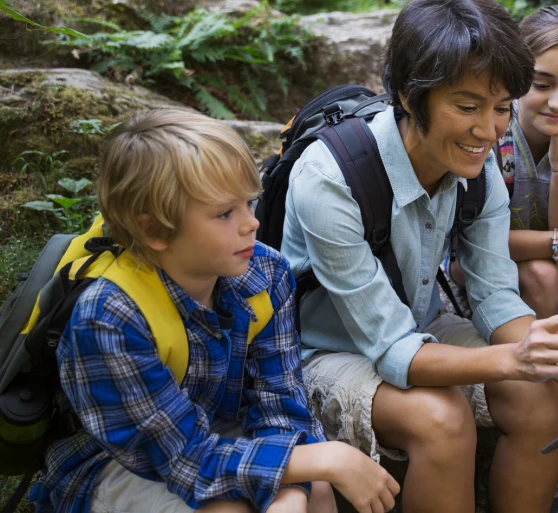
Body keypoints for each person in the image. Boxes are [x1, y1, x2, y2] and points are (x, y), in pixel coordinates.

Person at [282, 0, 558, 513]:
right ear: (411, 98)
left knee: (541, 396)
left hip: (418, 325)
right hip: (323, 353)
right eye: (466, 106)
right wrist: (516, 359)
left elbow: (499, 300)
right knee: (442, 418)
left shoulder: (474, 169)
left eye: (501, 108)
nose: (488, 130)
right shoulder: (330, 179)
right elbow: (391, 350)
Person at [31, 110, 399, 513]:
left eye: (248, 203)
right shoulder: (111, 319)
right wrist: (323, 459)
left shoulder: (265, 273)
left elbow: (280, 404)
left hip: (213, 433)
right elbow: (183, 459)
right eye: (225, 213)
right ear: (154, 230)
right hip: (118, 463)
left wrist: (293, 488)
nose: (251, 224)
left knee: (316, 489)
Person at [450, 5, 558, 492]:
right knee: (546, 273)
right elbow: (481, 242)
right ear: (517, 77)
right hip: (480, 276)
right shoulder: (492, 134)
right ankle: (538, 398)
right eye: (542, 84)